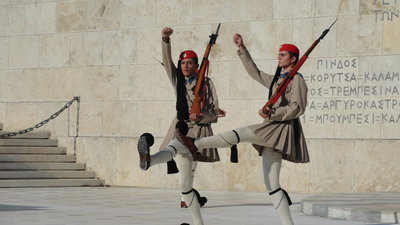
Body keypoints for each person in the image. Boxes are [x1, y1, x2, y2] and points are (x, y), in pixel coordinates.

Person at [140, 33, 309, 225]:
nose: (278, 57)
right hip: (268, 127)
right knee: (272, 185)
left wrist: (273, 113)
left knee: (240, 134)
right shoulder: (278, 79)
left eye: (282, 55)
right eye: (279, 54)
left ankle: (193, 143)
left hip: (280, 129)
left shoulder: (297, 80)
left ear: (293, 59)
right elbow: (255, 73)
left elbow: (298, 108)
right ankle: (151, 160)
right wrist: (242, 49)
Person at [137, 27, 225, 225]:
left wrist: (201, 115)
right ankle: (150, 161)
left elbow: (214, 109)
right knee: (176, 152)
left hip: (199, 128)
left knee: (189, 165)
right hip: (180, 126)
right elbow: (167, 62)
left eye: (189, 63)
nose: (185, 66)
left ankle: (187, 196)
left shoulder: (206, 83)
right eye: (183, 63)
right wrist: (165, 40)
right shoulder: (178, 80)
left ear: (196, 65)